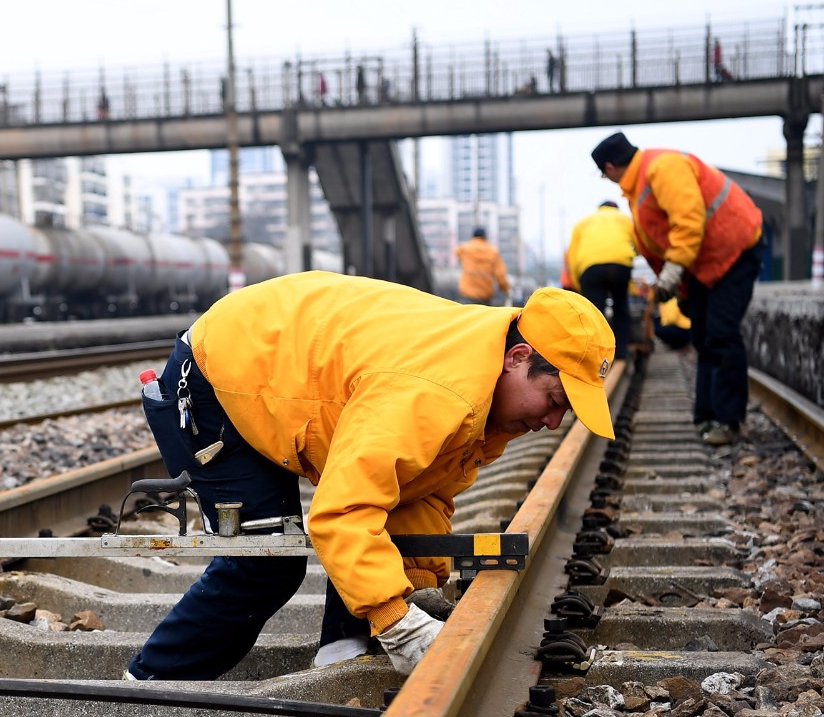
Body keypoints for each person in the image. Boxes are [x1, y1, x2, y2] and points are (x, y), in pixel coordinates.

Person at [123, 273, 615, 681]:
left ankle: (342, 656)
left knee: (371, 522)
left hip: (280, 367)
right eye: (554, 401)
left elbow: (415, 489)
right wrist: (395, 619)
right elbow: (342, 511)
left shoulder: (485, 383)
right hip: (218, 376)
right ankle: (150, 684)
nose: (552, 422)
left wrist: (415, 584)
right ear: (519, 357)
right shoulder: (434, 392)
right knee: (264, 560)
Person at [592, 130, 763, 446]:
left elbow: (687, 221)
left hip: (734, 251)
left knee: (721, 334)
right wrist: (675, 285)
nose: (608, 179)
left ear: (610, 167)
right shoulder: (638, 188)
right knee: (703, 336)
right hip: (702, 264)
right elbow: (659, 241)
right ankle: (706, 416)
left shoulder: (661, 167)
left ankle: (729, 421)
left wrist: (672, 273)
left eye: (604, 174)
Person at [565, 201, 637, 359]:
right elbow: (639, 242)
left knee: (594, 312)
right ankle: (621, 351)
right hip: (620, 265)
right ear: (615, 209)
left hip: (590, 267)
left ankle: (595, 355)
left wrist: (577, 282)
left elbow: (572, 255)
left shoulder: (583, 222)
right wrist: (631, 257)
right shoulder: (624, 219)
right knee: (621, 307)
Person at [456, 227, 510, 305]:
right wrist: (504, 288)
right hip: (485, 295)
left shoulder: (464, 249)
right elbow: (500, 275)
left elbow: (457, 254)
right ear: (485, 237)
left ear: (473, 236)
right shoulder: (493, 252)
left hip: (467, 293)